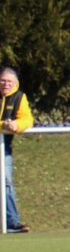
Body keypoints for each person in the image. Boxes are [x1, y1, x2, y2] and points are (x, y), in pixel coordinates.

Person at [1, 67, 33, 234]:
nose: (5, 84)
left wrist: (16, 125)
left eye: (9, 81)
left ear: (15, 83)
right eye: (2, 80)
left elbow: (27, 119)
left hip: (3, 148)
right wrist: (3, 125)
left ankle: (12, 221)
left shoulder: (19, 97)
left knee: (6, 181)